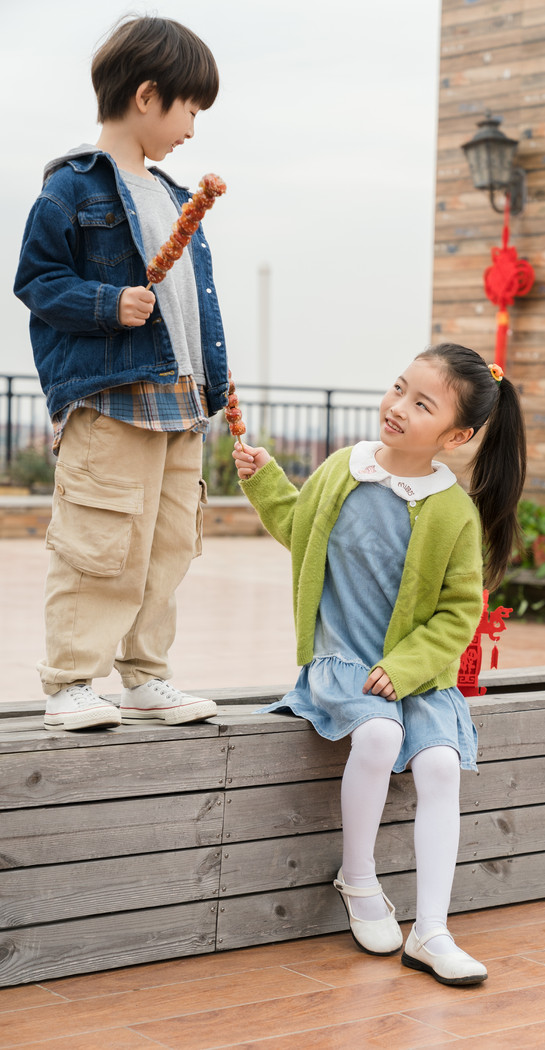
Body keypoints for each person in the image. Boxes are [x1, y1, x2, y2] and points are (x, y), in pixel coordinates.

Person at [232, 343, 527, 986]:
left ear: (456, 435)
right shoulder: (345, 469)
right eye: (398, 388)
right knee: (377, 732)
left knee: (443, 765)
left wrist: (409, 667)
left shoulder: (453, 510)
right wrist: (264, 480)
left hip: (412, 678)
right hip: (343, 665)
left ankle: (432, 930)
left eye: (421, 404)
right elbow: (298, 528)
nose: (397, 407)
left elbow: (457, 613)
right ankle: (359, 880)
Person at [14, 16, 229, 731]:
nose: (193, 129)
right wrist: (109, 302)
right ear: (146, 95)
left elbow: (191, 309)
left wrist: (216, 387)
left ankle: (144, 677)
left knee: (167, 546)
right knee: (101, 543)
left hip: (179, 405)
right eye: (189, 109)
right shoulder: (71, 188)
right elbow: (37, 281)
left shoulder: (172, 192)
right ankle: (71, 681)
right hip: (111, 401)